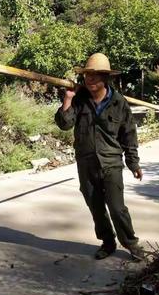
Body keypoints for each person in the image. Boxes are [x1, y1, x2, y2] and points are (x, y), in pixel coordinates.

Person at [55, 53, 146, 260]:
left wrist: (134, 163)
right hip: (86, 162)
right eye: (87, 75)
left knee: (116, 207)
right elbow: (65, 124)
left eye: (95, 76)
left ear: (105, 78)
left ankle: (131, 244)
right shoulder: (79, 100)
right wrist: (68, 99)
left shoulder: (119, 103)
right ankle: (108, 242)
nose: (90, 79)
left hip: (111, 162)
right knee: (95, 206)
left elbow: (129, 135)